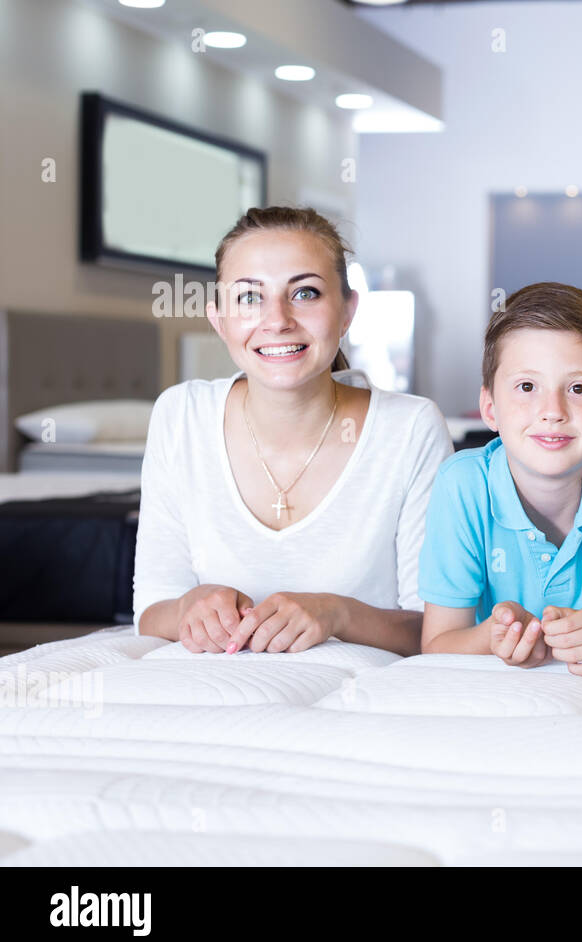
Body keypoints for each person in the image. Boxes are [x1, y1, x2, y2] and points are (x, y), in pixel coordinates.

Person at [133, 206, 454, 656]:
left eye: (304, 293)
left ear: (347, 311)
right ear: (219, 319)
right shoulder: (180, 415)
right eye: (248, 297)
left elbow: (434, 630)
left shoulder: (411, 428)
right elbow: (150, 612)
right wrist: (189, 605)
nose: (278, 319)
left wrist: (338, 613)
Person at [418, 282, 582, 676]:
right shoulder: (462, 484)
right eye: (527, 387)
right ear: (489, 409)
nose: (552, 411)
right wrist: (494, 636)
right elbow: (437, 646)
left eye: (578, 388)